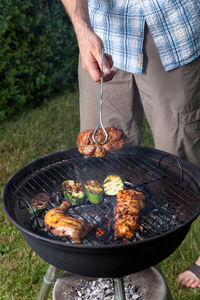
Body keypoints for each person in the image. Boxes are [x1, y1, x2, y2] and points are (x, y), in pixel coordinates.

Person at [61, 0, 200, 290]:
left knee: (184, 155)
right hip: (104, 33)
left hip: (169, 27)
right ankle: (112, 246)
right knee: (100, 165)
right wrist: (83, 29)